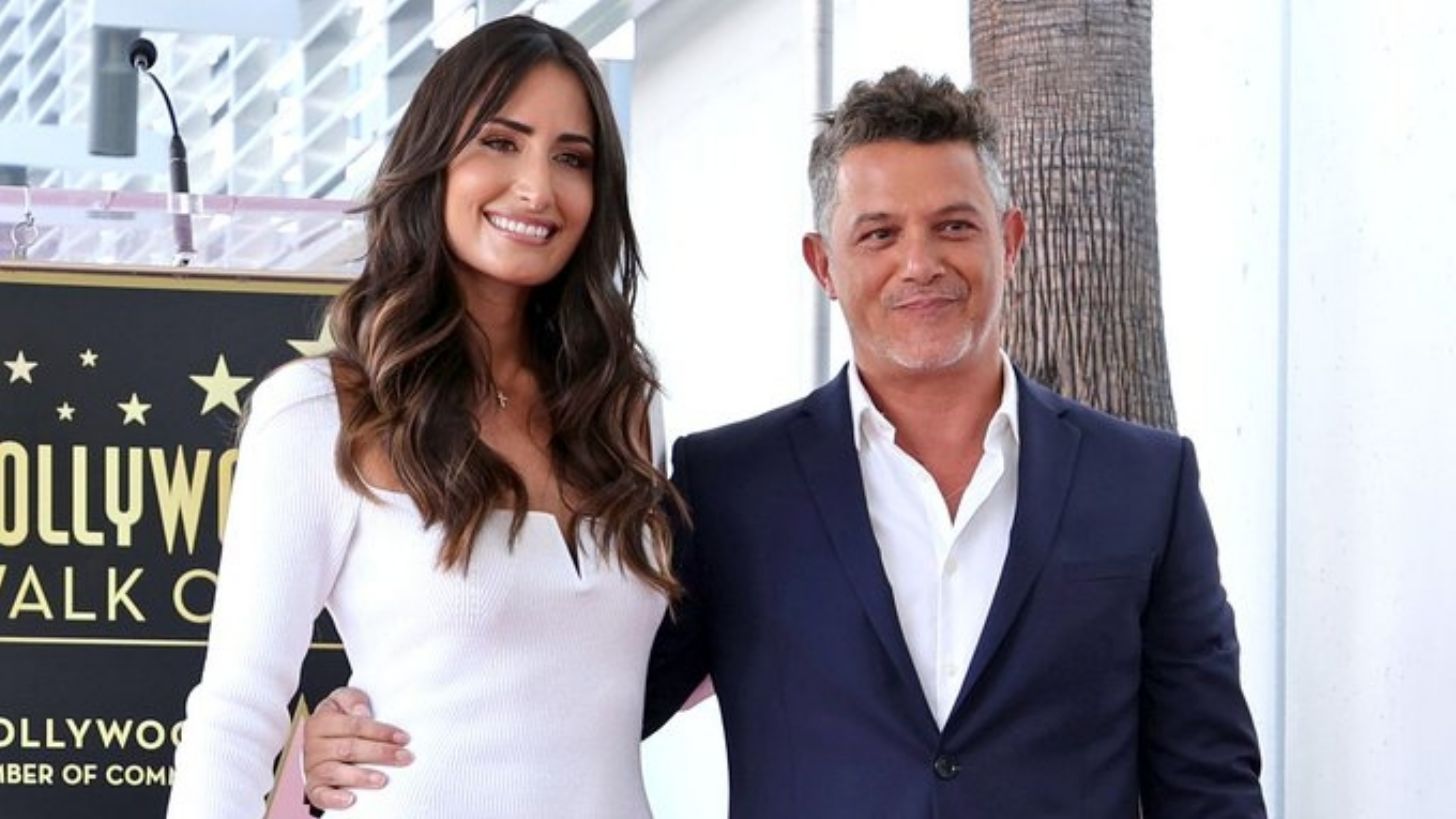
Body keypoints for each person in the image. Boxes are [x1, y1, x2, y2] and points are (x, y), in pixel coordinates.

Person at [300, 68, 1268, 817]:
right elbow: (584, 694)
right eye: (878, 233)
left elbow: (1209, 781)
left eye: (954, 226)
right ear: (823, 263)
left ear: (1010, 241)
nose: (920, 262)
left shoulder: (1144, 482)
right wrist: (344, 736)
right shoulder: (731, 488)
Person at [165, 16, 683, 819]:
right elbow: (235, 714)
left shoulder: (623, 411)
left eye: (571, 158)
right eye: (500, 142)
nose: (537, 188)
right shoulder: (321, 411)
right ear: (433, 158)